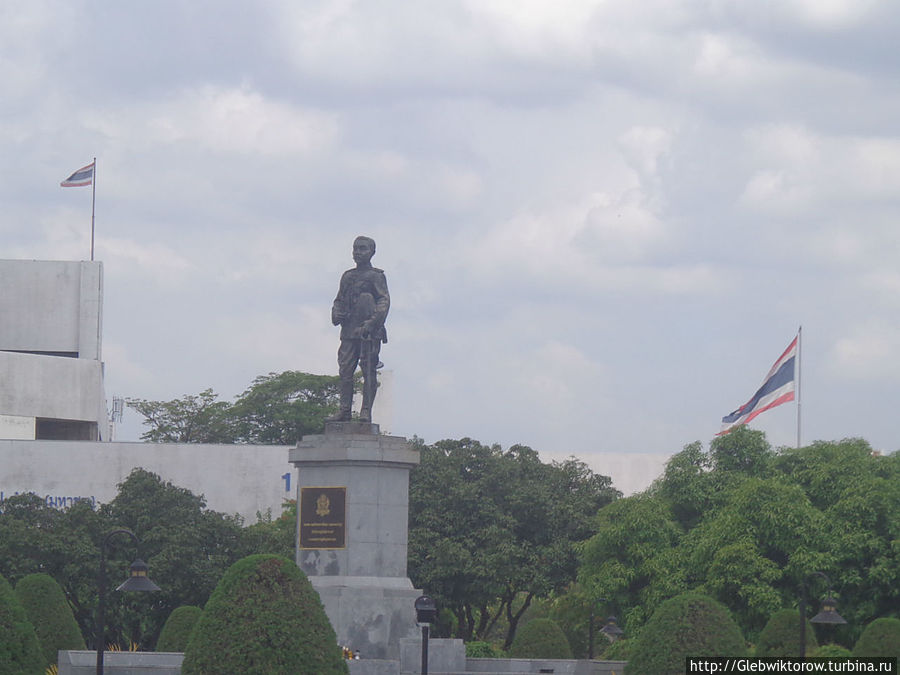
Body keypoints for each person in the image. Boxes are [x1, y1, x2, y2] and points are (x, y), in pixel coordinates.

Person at [329, 236, 389, 422]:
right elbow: (339, 300)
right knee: (345, 371)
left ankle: (365, 411)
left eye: (362, 249)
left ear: (372, 252)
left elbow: (383, 301)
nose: (358, 252)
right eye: (355, 249)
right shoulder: (347, 276)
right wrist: (336, 314)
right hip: (349, 330)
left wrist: (371, 323)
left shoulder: (376, 276)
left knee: (368, 370)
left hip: (368, 331)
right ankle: (344, 410)